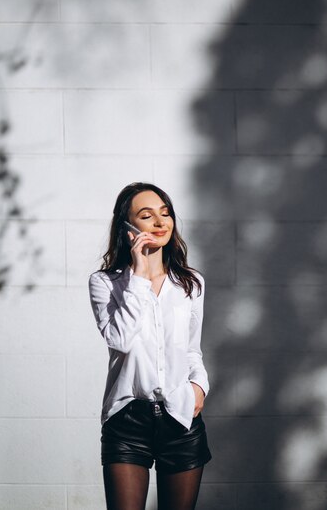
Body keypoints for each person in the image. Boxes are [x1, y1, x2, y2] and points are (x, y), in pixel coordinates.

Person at [88, 182, 212, 510]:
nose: (160, 222)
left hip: (180, 417)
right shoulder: (105, 283)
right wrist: (139, 274)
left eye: (165, 213)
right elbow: (120, 340)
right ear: (127, 227)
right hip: (127, 420)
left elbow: (191, 350)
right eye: (147, 215)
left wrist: (199, 387)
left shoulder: (191, 283)